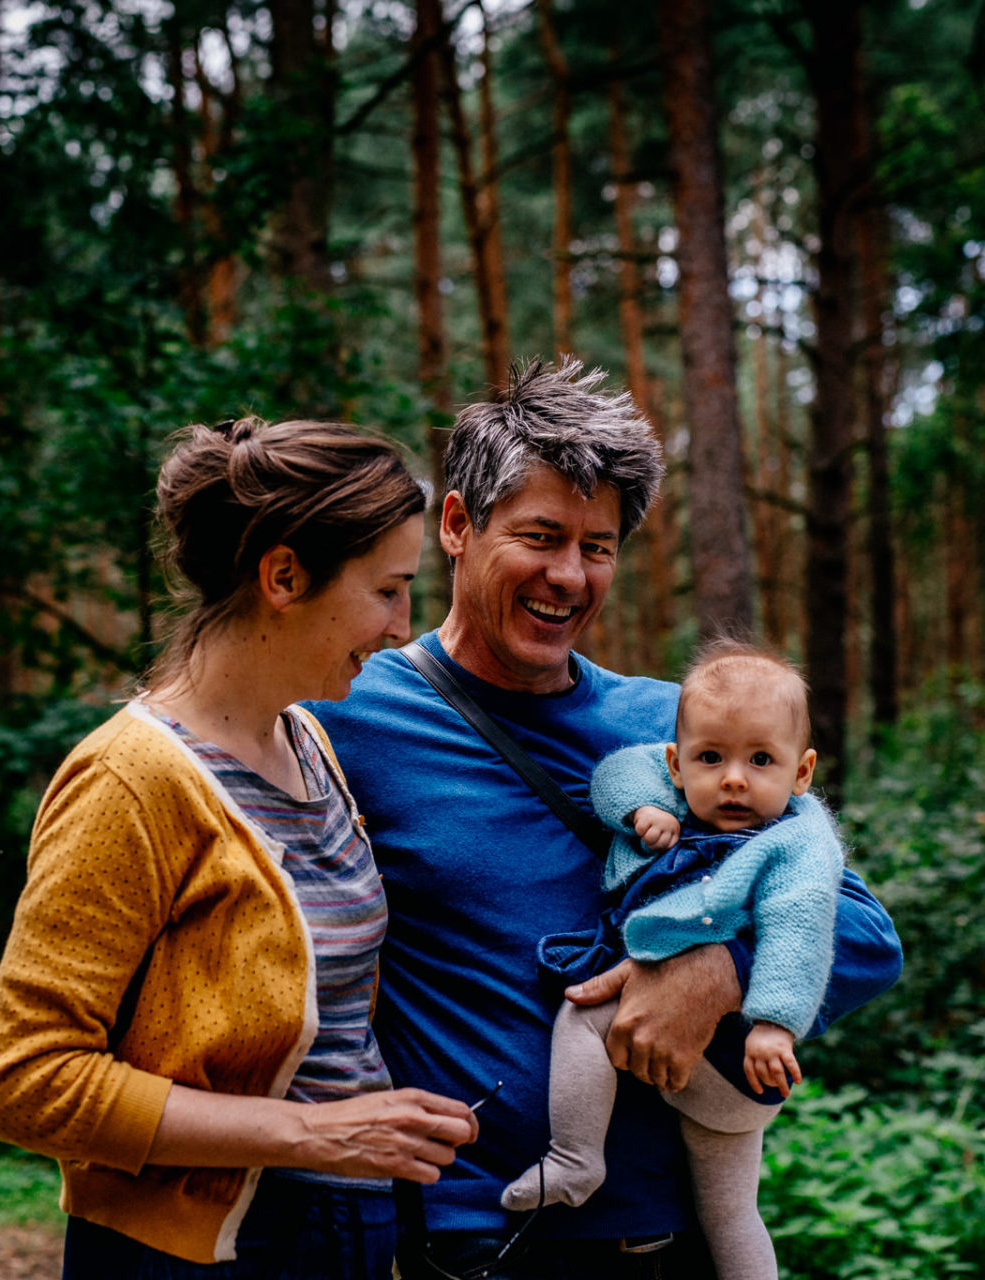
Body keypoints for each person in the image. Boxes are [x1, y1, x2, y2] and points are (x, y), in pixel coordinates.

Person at [308, 359, 903, 1279]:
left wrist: (716, 972)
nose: (569, 575)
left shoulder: (678, 726)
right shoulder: (349, 711)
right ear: (458, 526)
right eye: (541, 536)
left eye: (598, 547)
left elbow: (862, 932)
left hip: (666, 1239)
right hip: (474, 1239)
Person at [0, 417, 480, 1277]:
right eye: (388, 590)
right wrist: (314, 1133)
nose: (403, 627)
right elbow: (27, 1081)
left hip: (346, 1234)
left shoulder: (309, 743)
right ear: (284, 575)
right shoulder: (130, 781)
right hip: (199, 1252)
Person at [503, 639, 841, 1280]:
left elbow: (800, 927)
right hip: (716, 1080)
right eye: (710, 758)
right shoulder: (673, 794)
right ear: (678, 764)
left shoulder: (798, 843)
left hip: (735, 1057)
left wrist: (773, 1024)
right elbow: (617, 772)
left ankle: (575, 1157)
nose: (734, 777)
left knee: (584, 1018)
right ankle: (582, 1162)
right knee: (731, 1213)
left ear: (801, 773)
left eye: (761, 760)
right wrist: (645, 809)